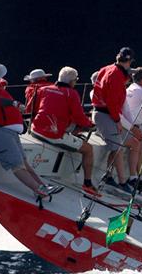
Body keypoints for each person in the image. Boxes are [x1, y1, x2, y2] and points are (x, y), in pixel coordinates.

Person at [0, 62, 56, 198]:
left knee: (24, 162)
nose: (0, 79)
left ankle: (43, 186)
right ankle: (39, 189)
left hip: (6, 130)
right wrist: (14, 103)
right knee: (17, 165)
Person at [31, 67, 98, 196]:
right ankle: (88, 183)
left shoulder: (44, 89)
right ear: (72, 81)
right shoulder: (71, 93)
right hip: (52, 134)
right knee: (88, 149)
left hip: (35, 128)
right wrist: (91, 125)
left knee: (73, 130)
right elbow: (80, 118)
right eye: (76, 80)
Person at [92, 47, 135, 193]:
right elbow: (111, 101)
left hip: (102, 112)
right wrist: (117, 120)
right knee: (117, 148)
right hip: (106, 115)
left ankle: (108, 176)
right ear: (128, 62)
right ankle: (122, 183)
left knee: (117, 146)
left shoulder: (107, 69)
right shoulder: (116, 75)